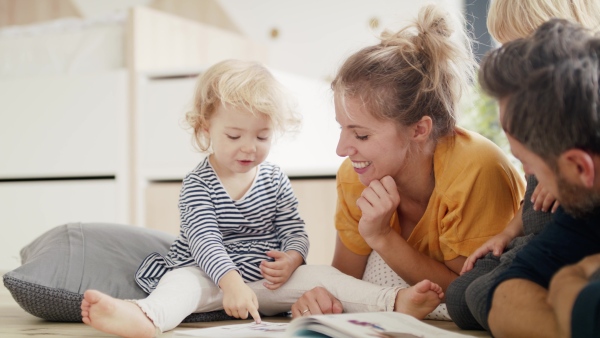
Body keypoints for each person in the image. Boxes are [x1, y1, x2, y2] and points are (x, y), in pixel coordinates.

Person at [79, 59, 451, 338]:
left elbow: (293, 228)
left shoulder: (273, 178)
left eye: (261, 137)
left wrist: (293, 258)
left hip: (266, 278)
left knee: (326, 276)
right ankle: (144, 318)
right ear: (206, 129)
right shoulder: (198, 185)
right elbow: (204, 240)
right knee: (181, 285)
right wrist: (231, 284)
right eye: (235, 135)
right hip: (211, 277)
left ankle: (396, 303)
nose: (249, 148)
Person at [291, 4, 525, 320]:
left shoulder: (476, 170)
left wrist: (382, 237)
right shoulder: (355, 174)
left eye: (360, 135)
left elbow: (467, 294)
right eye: (341, 127)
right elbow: (346, 281)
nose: (342, 149)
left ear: (419, 129)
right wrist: (322, 297)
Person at [446, 0, 600, 330]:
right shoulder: (581, 201)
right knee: (466, 293)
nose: (525, 174)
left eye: (528, 162)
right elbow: (511, 287)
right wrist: (571, 282)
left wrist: (568, 288)